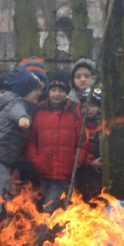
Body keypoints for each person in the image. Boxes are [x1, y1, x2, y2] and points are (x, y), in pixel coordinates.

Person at [0, 66, 42, 236]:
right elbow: (17, 113)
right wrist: (23, 119)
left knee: (3, 204)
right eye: (35, 90)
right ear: (24, 90)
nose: (38, 93)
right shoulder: (17, 103)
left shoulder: (23, 103)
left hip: (3, 161)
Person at [25, 69, 89, 211]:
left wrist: (77, 161)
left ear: (66, 92)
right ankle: (50, 231)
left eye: (61, 90)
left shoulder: (75, 110)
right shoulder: (39, 110)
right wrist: (34, 159)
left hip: (65, 167)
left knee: (50, 205)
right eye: (54, 90)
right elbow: (32, 138)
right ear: (48, 91)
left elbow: (82, 139)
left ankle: (43, 233)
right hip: (43, 165)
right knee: (42, 204)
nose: (57, 94)